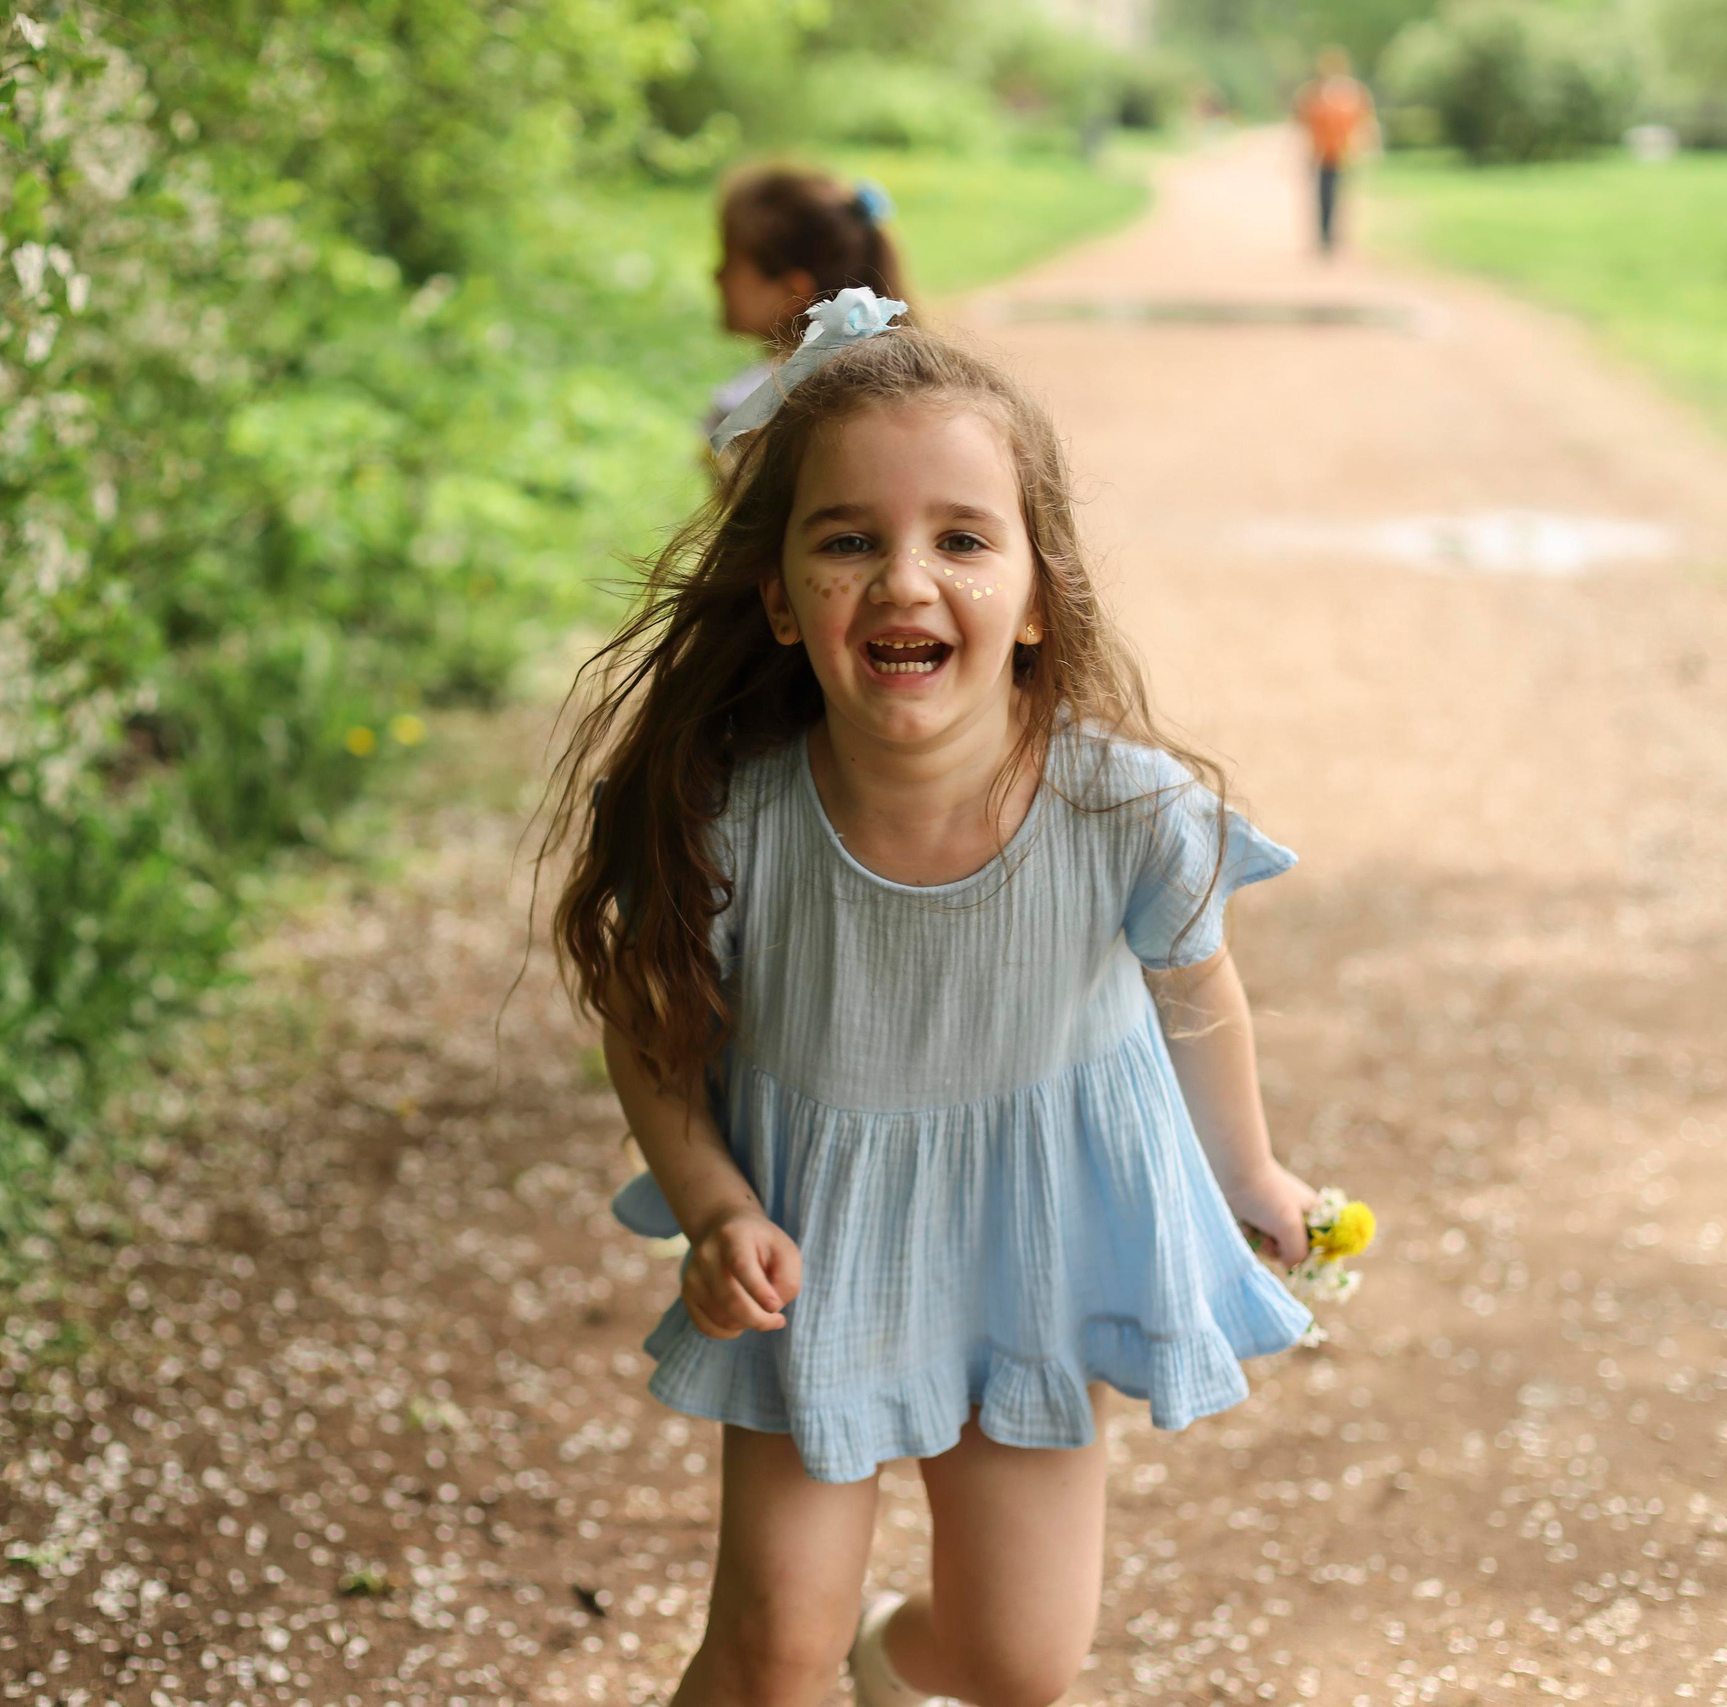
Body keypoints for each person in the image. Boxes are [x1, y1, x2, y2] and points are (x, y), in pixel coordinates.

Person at [549, 298, 1319, 1707]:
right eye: (849, 540)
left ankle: (895, 1664)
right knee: (770, 1649)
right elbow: (649, 1022)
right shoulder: (741, 821)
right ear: (781, 599)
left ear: (1038, 594)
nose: (906, 577)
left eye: (963, 538)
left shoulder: (1123, 813)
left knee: (1020, 1663)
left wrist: (1246, 1170)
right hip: (812, 1258)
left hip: (1038, 1253)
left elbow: (1198, 994)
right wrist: (715, 1201)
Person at [706, 166, 908, 445]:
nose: (715, 275)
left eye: (728, 260)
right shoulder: (891, 391)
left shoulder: (749, 419)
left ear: (791, 294)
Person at [1293, 47, 1375, 256]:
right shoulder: (1313, 93)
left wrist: (1361, 147)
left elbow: (1362, 122)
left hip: (1343, 153)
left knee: (1339, 196)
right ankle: (1324, 236)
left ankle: (1333, 235)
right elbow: (1303, 121)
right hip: (1322, 154)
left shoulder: (1352, 94)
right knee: (1323, 195)